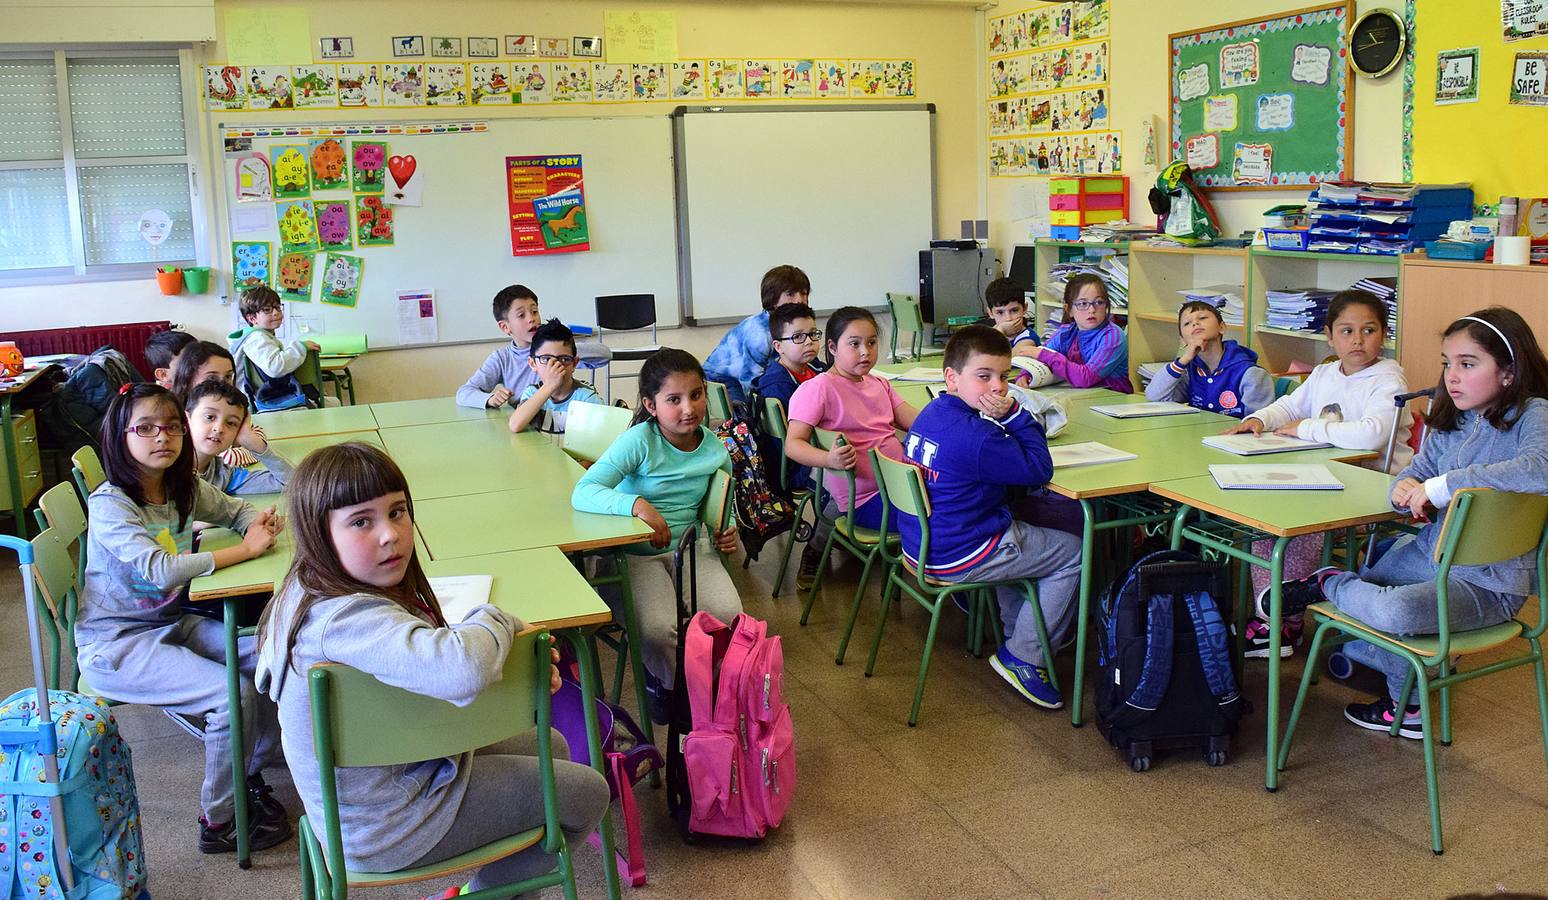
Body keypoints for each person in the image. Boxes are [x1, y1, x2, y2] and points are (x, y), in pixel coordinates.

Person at [255, 443, 608, 896]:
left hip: (369, 792)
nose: (390, 534)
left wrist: (519, 667)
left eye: (398, 512)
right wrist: (501, 620)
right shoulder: (345, 619)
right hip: (387, 824)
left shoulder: (303, 588)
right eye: (361, 521)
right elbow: (459, 672)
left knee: (553, 745)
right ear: (319, 532)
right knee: (586, 792)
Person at [1270, 308, 1548, 738]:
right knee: (1373, 586)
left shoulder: (1534, 414)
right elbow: (1416, 471)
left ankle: (1331, 588)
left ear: (1509, 372)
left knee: (1388, 608)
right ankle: (1396, 675)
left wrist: (1444, 486)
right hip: (1427, 556)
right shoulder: (1451, 418)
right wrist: (1404, 488)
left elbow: (1540, 469)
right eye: (1447, 363)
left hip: (1489, 585)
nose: (1451, 377)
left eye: (1467, 364)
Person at [74, 383, 289, 854]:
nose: (163, 437)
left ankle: (249, 768)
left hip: (167, 623)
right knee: (230, 696)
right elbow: (161, 569)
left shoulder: (181, 487)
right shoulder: (112, 503)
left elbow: (237, 509)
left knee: (272, 651)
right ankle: (219, 822)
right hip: (115, 644)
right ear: (120, 436)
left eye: (171, 427)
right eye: (146, 428)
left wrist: (258, 522)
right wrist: (246, 548)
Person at [1226, 289, 1412, 658]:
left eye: (1369, 330)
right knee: (1266, 516)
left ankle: (1279, 618)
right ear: (1329, 335)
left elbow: (1373, 433)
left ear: (1384, 335)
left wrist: (1307, 427)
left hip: (1373, 491)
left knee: (1302, 525)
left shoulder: (1390, 379)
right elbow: (1290, 405)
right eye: (1346, 331)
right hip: (1325, 480)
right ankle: (1281, 619)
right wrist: (1259, 419)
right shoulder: (1326, 372)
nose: (1357, 340)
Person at [902, 326, 1080, 709]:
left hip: (922, 546)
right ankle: (1025, 656)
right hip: (961, 553)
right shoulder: (978, 437)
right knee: (1073, 552)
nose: (998, 387)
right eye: (984, 376)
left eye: (1005, 377)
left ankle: (1018, 633)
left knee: (1020, 525)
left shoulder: (933, 412)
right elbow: (1038, 469)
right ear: (952, 377)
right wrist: (1017, 415)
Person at [571, 349, 742, 723]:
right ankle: (668, 684)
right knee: (656, 631)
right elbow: (583, 491)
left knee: (730, 617)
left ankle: (706, 688)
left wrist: (726, 532)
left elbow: (722, 506)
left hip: (693, 549)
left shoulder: (715, 448)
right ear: (650, 405)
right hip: (636, 555)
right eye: (673, 399)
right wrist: (637, 506)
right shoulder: (639, 442)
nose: (688, 408)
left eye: (696, 395)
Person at [784, 307, 920, 585]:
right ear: (832, 347)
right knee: (944, 517)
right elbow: (793, 445)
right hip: (867, 499)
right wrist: (829, 459)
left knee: (955, 503)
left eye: (871, 342)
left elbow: (915, 421)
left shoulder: (879, 383)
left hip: (900, 487)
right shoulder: (818, 388)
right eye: (854, 344)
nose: (866, 352)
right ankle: (949, 579)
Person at [703, 264, 811, 404]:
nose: (799, 300)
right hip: (722, 378)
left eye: (803, 293)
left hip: (745, 376)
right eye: (790, 294)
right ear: (772, 299)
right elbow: (749, 380)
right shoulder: (760, 333)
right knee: (748, 413)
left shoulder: (794, 325)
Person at [1145, 300, 1273, 418]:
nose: (1195, 323)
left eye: (1202, 318)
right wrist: (1184, 359)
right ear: (1183, 340)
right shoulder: (1189, 371)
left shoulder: (1250, 373)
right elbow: (1154, 397)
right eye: (1187, 323)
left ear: (1222, 327)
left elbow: (1258, 422)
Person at [752, 302, 826, 496]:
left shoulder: (815, 370)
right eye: (798, 337)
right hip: (798, 467)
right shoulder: (778, 385)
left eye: (813, 334)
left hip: (813, 452)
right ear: (778, 347)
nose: (809, 341)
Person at [185, 379, 291, 494]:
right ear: (186, 419)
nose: (219, 428)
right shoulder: (166, 468)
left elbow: (292, 482)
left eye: (231, 423)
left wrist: (254, 443)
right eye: (210, 417)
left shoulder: (223, 476)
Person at [172, 341, 267, 468]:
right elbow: (229, 458)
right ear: (188, 380)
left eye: (228, 376)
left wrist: (250, 441)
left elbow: (256, 434)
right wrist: (248, 449)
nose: (223, 384)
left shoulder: (228, 406)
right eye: (211, 378)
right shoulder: (173, 419)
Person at [1035, 273, 1131, 392]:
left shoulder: (1113, 336)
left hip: (1112, 397)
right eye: (1083, 304)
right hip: (1079, 394)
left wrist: (1041, 354)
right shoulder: (1066, 332)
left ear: (1106, 306)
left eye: (1099, 302)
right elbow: (1040, 360)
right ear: (1069, 309)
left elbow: (1086, 377)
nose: (1092, 310)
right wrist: (1026, 375)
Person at [508, 319, 605, 435]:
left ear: (574, 363)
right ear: (533, 363)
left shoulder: (587, 397)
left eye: (564, 359)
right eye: (546, 359)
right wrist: (549, 386)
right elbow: (515, 425)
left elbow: (601, 438)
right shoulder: (532, 393)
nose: (555, 366)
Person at [228, 285, 316, 411]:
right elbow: (275, 367)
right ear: (252, 318)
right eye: (267, 310)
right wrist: (301, 346)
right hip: (257, 403)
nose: (276, 313)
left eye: (277, 308)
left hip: (263, 399)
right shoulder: (256, 339)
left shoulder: (261, 336)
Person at [457, 285, 544, 410]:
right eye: (521, 315)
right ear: (505, 327)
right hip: (522, 423)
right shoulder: (502, 358)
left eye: (534, 312)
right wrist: (490, 399)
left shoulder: (554, 346)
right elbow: (463, 393)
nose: (531, 319)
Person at [984, 277, 1039, 354]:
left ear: (1024, 308)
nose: (1008, 318)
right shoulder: (995, 330)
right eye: (1000, 312)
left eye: (1014, 310)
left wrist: (1000, 331)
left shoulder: (1028, 339)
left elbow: (1007, 363)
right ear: (990, 313)